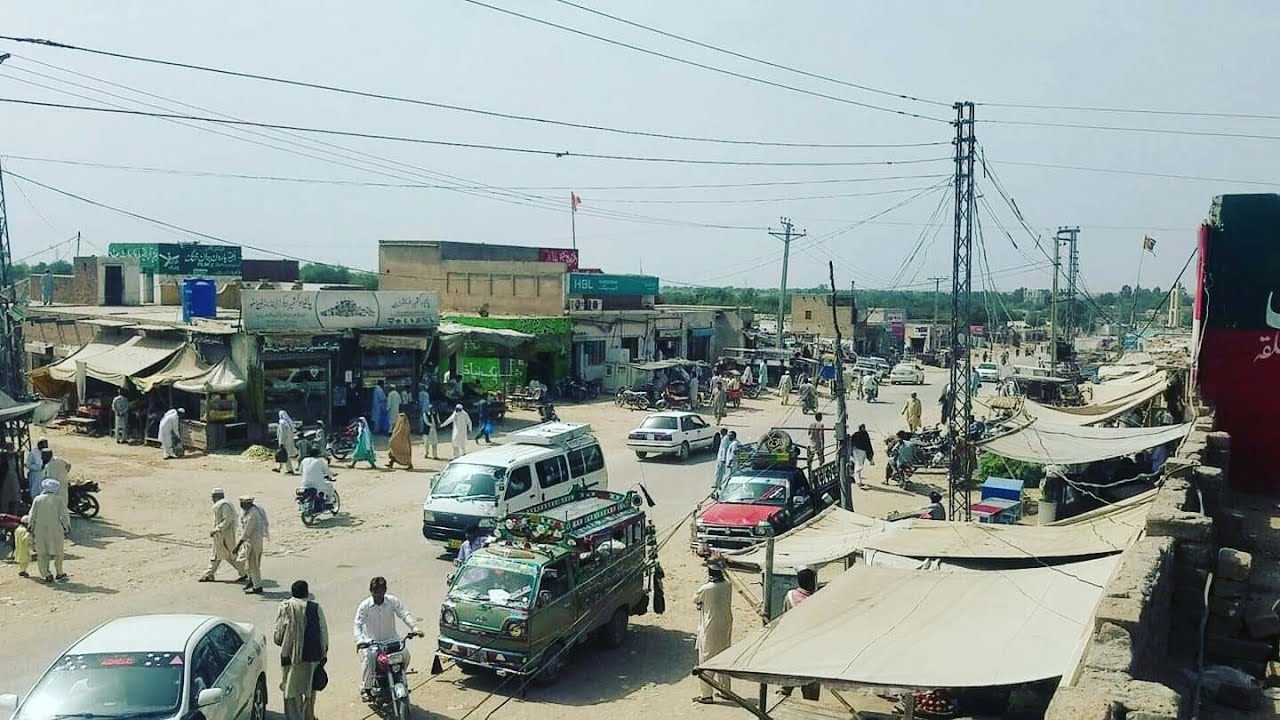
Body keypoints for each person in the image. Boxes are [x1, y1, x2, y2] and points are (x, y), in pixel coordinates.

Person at [354, 577, 422, 701]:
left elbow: (404, 614)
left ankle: (399, 678)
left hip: (392, 641)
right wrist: (360, 640)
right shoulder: (365, 606)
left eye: (381, 592)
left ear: (385, 591)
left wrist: (415, 628)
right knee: (369, 659)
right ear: (371, 591)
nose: (378, 595)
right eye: (376, 592)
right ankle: (366, 688)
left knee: (405, 655)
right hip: (373, 643)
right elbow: (357, 625)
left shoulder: (392, 601)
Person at [275, 580, 328, 720]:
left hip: (290, 658)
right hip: (312, 657)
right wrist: (323, 655)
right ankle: (308, 716)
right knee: (309, 691)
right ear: (307, 592)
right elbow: (323, 633)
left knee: (291, 693)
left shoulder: (285, 607)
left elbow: (278, 636)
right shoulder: (315, 607)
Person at [693, 564, 733, 704]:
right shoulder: (728, 585)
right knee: (724, 657)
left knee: (706, 659)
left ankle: (706, 695)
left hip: (710, 626)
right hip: (726, 624)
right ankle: (725, 691)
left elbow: (696, 599)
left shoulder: (707, 588)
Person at [200, 488, 246, 583]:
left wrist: (217, 529)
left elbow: (227, 520)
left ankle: (245, 572)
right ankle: (209, 574)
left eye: (213, 496)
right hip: (219, 534)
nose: (212, 498)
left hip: (225, 534)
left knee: (229, 555)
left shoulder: (224, 505)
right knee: (218, 554)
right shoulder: (221, 504)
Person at [28, 478, 69, 582]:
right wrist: (67, 526)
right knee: (58, 551)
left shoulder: (38, 499)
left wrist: (30, 526)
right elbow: (64, 515)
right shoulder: (58, 499)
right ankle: (59, 572)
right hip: (55, 528)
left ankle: (46, 574)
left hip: (40, 528)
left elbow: (32, 514)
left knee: (42, 552)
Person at [235, 495, 269, 594]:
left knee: (254, 565)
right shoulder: (246, 511)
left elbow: (247, 531)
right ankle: (252, 580)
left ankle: (257, 587)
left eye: (243, 503)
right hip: (248, 542)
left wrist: (238, 546)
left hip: (254, 543)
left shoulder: (253, 514)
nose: (241, 505)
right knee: (244, 562)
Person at [849, 423, 874, 488]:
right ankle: (858, 481)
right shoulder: (858, 434)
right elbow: (868, 444)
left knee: (859, 465)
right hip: (857, 451)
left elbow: (868, 444)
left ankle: (858, 480)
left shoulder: (862, 434)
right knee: (859, 466)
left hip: (861, 452)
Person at [275, 410, 299, 475]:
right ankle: (280, 468)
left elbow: (282, 434)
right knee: (290, 454)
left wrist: (281, 442)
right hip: (290, 441)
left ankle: (289, 469)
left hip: (285, 442)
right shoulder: (288, 423)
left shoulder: (282, 423)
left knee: (286, 455)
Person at [0, 442, 19, 514]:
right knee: (5, 497)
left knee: (16, 497)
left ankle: (15, 514)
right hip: (5, 479)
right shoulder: (3, 457)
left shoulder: (15, 457)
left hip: (14, 477)